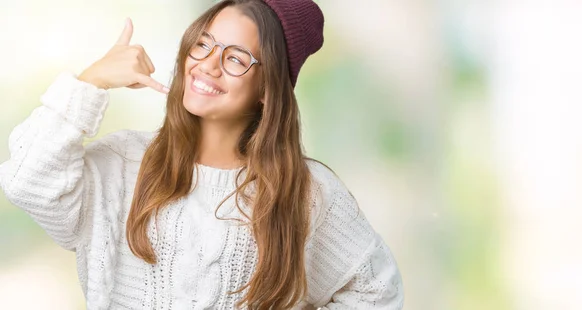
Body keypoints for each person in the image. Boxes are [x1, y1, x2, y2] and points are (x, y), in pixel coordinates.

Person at [0, 0, 403, 309]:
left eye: (235, 58)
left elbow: (376, 290)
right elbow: (26, 181)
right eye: (203, 44)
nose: (208, 65)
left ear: (268, 90)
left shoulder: (305, 192)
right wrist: (91, 82)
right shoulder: (123, 165)